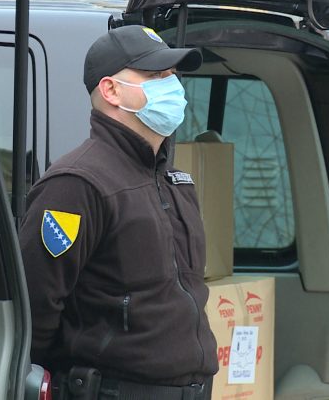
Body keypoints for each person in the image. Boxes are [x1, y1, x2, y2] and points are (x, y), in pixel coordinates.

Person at [19, 25, 218, 400]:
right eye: (155, 75)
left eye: (172, 74)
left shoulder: (174, 180)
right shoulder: (77, 184)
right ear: (111, 90)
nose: (172, 85)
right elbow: (35, 307)